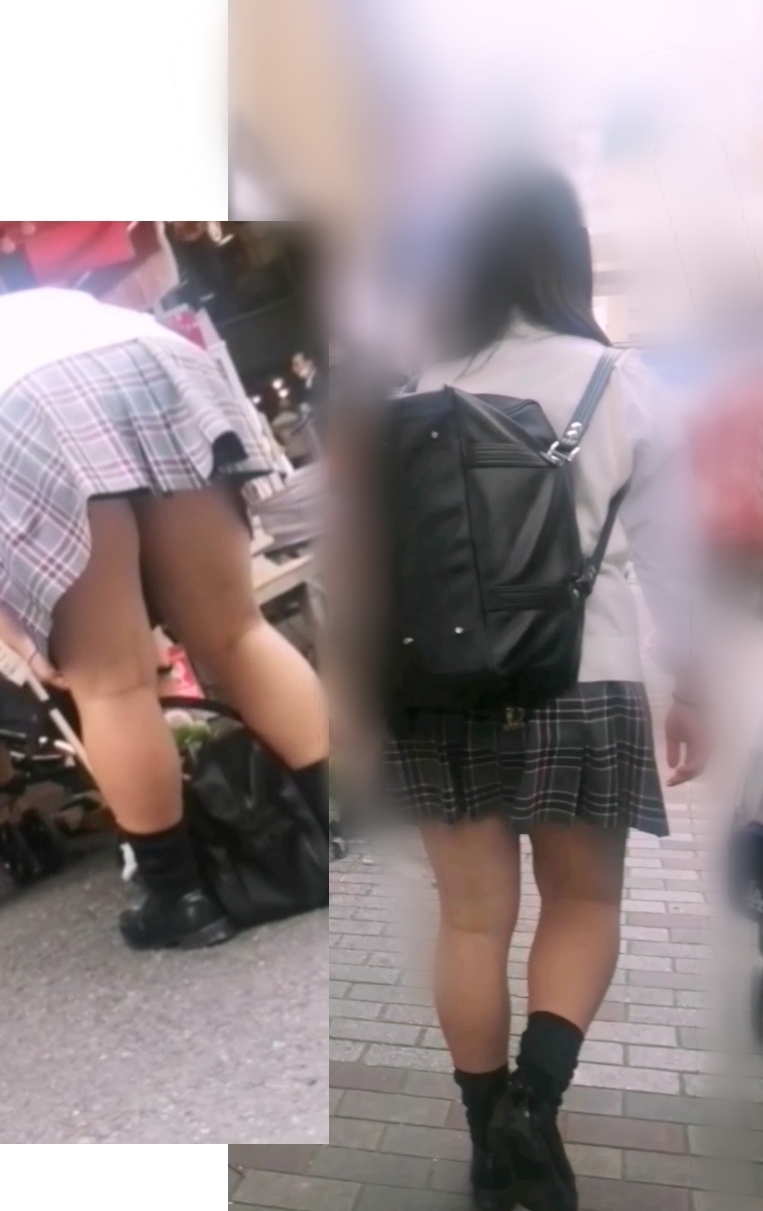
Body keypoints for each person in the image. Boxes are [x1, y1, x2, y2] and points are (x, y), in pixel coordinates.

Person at [381, 168, 704, 1210]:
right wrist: (694, 685)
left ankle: (492, 1148)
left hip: (438, 689)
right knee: (585, 900)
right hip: (587, 679)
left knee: (471, 919)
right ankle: (533, 1107)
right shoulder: (620, 381)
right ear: (566, 255)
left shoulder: (414, 385)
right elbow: (675, 560)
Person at [0, 275, 330, 951]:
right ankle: (338, 825)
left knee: (112, 683)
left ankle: (181, 898)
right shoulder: (41, 302)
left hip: (32, 411)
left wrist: (21, 641)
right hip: (160, 362)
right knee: (237, 631)